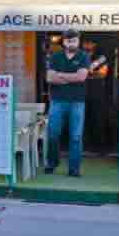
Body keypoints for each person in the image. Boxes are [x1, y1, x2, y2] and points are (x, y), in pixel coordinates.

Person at [43, 30, 95, 177]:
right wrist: (72, 77)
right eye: (68, 40)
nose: (71, 43)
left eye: (74, 40)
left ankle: (74, 169)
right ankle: (52, 163)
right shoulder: (55, 57)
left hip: (77, 102)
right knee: (53, 134)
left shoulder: (84, 56)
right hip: (57, 101)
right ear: (63, 41)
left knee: (76, 136)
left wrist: (59, 75)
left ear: (78, 41)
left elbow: (81, 77)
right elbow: (49, 78)